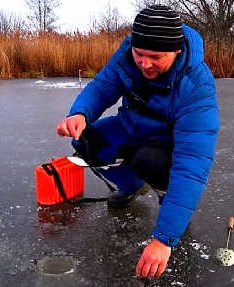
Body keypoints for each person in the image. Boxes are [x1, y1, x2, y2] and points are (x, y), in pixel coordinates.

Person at [56, 5, 219, 279]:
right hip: (131, 127)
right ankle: (130, 186)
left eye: (155, 57)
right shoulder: (128, 53)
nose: (144, 63)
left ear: (176, 50)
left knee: (150, 161)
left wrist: (164, 239)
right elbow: (103, 86)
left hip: (165, 146)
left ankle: (169, 202)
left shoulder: (197, 87)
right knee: (87, 143)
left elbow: (192, 164)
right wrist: (80, 114)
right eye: (140, 54)